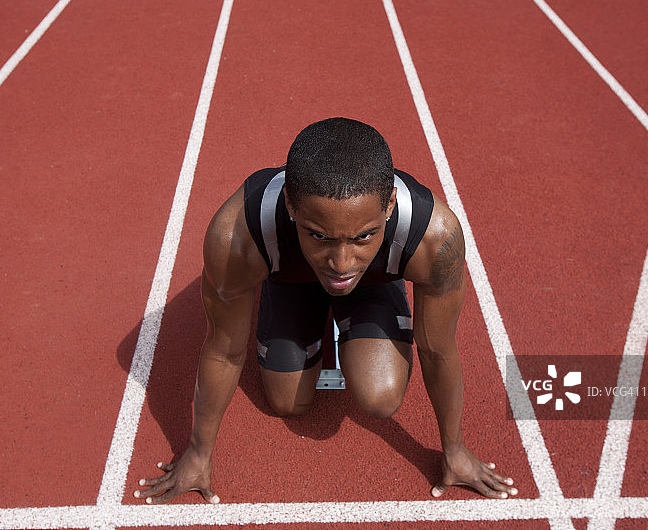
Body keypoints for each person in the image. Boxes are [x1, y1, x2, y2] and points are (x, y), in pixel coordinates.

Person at [133, 117, 517, 504]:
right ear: (290, 207)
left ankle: (368, 282)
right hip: (291, 279)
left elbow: (437, 348)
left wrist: (454, 449)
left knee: (380, 397)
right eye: (319, 235)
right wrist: (199, 453)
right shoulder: (236, 238)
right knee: (288, 403)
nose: (341, 262)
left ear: (390, 206)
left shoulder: (435, 238)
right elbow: (224, 349)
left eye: (364, 236)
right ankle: (288, 281)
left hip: (375, 281)